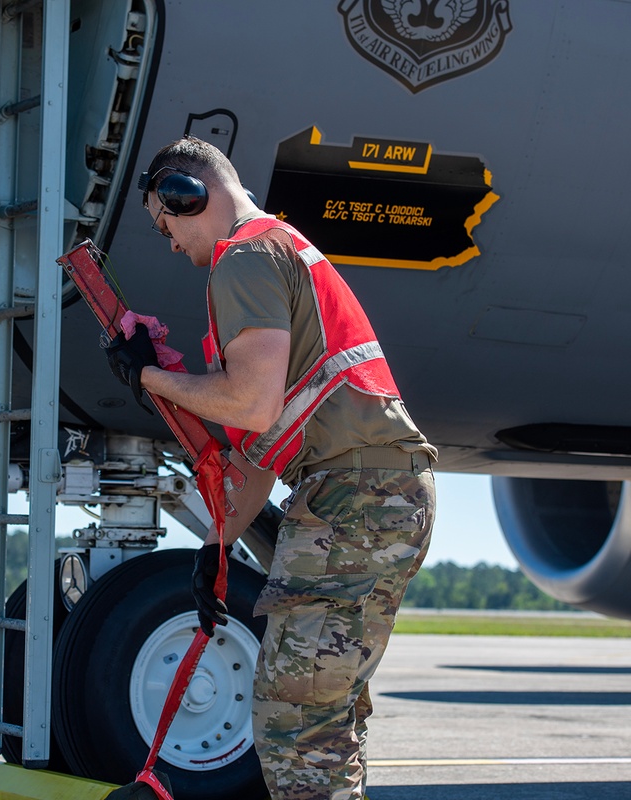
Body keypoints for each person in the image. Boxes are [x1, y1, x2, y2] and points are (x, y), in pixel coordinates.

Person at [105, 136, 437, 800]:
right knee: (323, 716)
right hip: (375, 494)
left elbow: (249, 405)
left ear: (187, 195)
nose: (171, 244)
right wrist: (215, 548)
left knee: (295, 718)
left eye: (165, 224)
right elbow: (259, 448)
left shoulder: (245, 259)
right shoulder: (275, 253)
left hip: (354, 497)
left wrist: (147, 378)